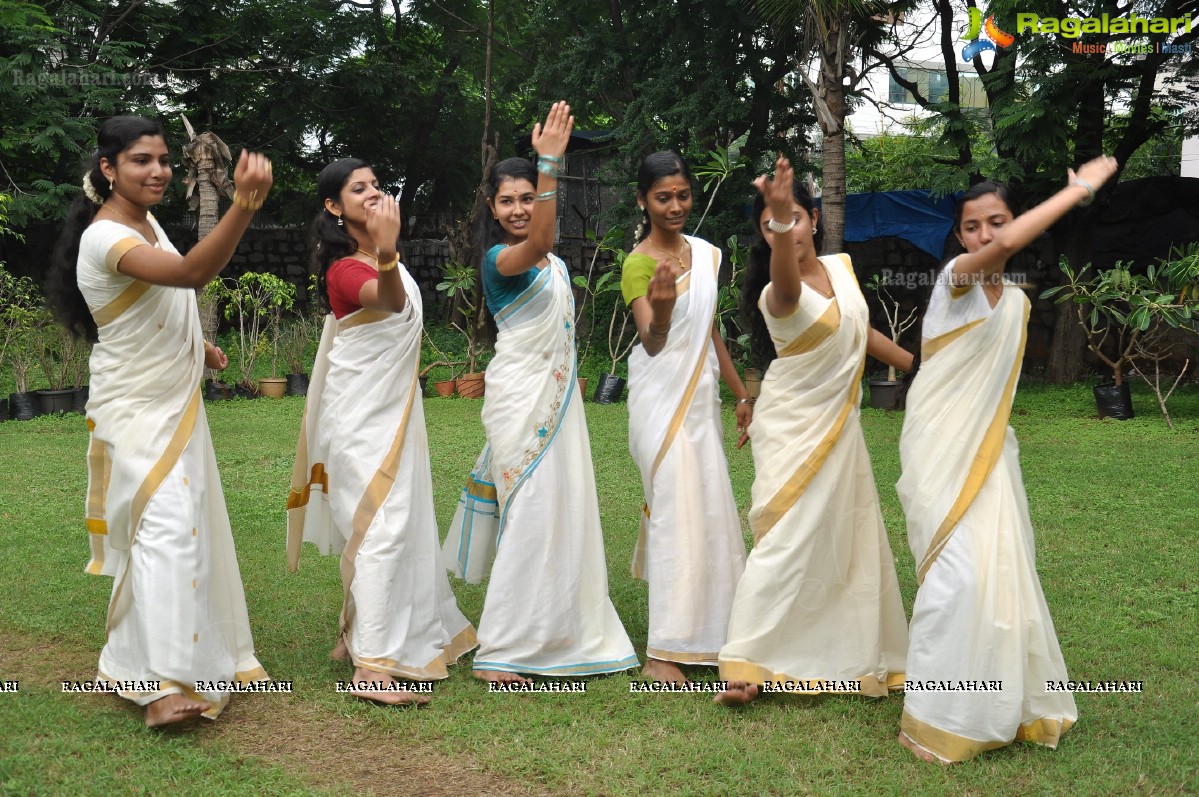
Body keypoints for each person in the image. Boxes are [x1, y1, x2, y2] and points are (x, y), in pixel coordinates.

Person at [46, 115, 270, 727]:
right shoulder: (105, 237)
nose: (159, 171)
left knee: (175, 527)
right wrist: (243, 206)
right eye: (142, 160)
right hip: (136, 406)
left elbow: (163, 302)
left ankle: (134, 661)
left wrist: (199, 345)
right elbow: (192, 274)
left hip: (174, 399)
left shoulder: (145, 222)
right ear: (109, 168)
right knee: (166, 527)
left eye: (165, 160)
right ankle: (166, 687)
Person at [896, 155, 1118, 763]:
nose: (986, 235)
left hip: (990, 456)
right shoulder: (954, 281)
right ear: (960, 236)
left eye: (998, 222)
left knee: (1000, 576)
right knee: (956, 577)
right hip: (938, 449)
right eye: (973, 226)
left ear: (1011, 221)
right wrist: (1074, 192)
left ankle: (1003, 707)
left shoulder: (1017, 305)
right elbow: (1004, 249)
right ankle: (936, 716)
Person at [442, 102, 638, 684]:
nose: (520, 209)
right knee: (528, 511)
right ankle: (504, 646)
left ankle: (562, 629)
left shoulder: (551, 264)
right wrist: (549, 162)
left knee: (561, 509)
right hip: (518, 403)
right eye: (508, 201)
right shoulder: (501, 260)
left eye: (528, 197)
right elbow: (546, 235)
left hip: (558, 403)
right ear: (492, 209)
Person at [715, 156, 911, 706]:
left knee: (845, 541)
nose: (788, 227)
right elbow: (786, 276)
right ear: (765, 232)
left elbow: (860, 329)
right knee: (785, 541)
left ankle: (839, 648)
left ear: (817, 219)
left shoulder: (841, 269)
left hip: (841, 427)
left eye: (797, 217)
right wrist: (777, 219)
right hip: (792, 428)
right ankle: (745, 663)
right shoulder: (776, 294)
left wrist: (917, 364)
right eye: (775, 222)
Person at [287, 159, 476, 705]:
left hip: (393, 413)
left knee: (393, 522)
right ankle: (372, 670)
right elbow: (388, 301)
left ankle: (357, 636)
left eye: (375, 185)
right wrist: (391, 253)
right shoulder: (348, 269)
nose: (373, 193)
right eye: (358, 189)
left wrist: (389, 254)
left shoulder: (379, 258)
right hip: (360, 419)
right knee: (381, 527)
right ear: (333, 207)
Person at [619, 151, 749, 685]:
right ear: (643, 201)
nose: (675, 206)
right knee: (675, 510)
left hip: (701, 400)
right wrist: (663, 303)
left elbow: (711, 331)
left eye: (683, 195)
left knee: (711, 509)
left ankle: (718, 634)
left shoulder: (708, 255)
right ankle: (663, 652)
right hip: (657, 400)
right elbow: (652, 340)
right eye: (663, 197)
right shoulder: (638, 264)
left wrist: (742, 394)